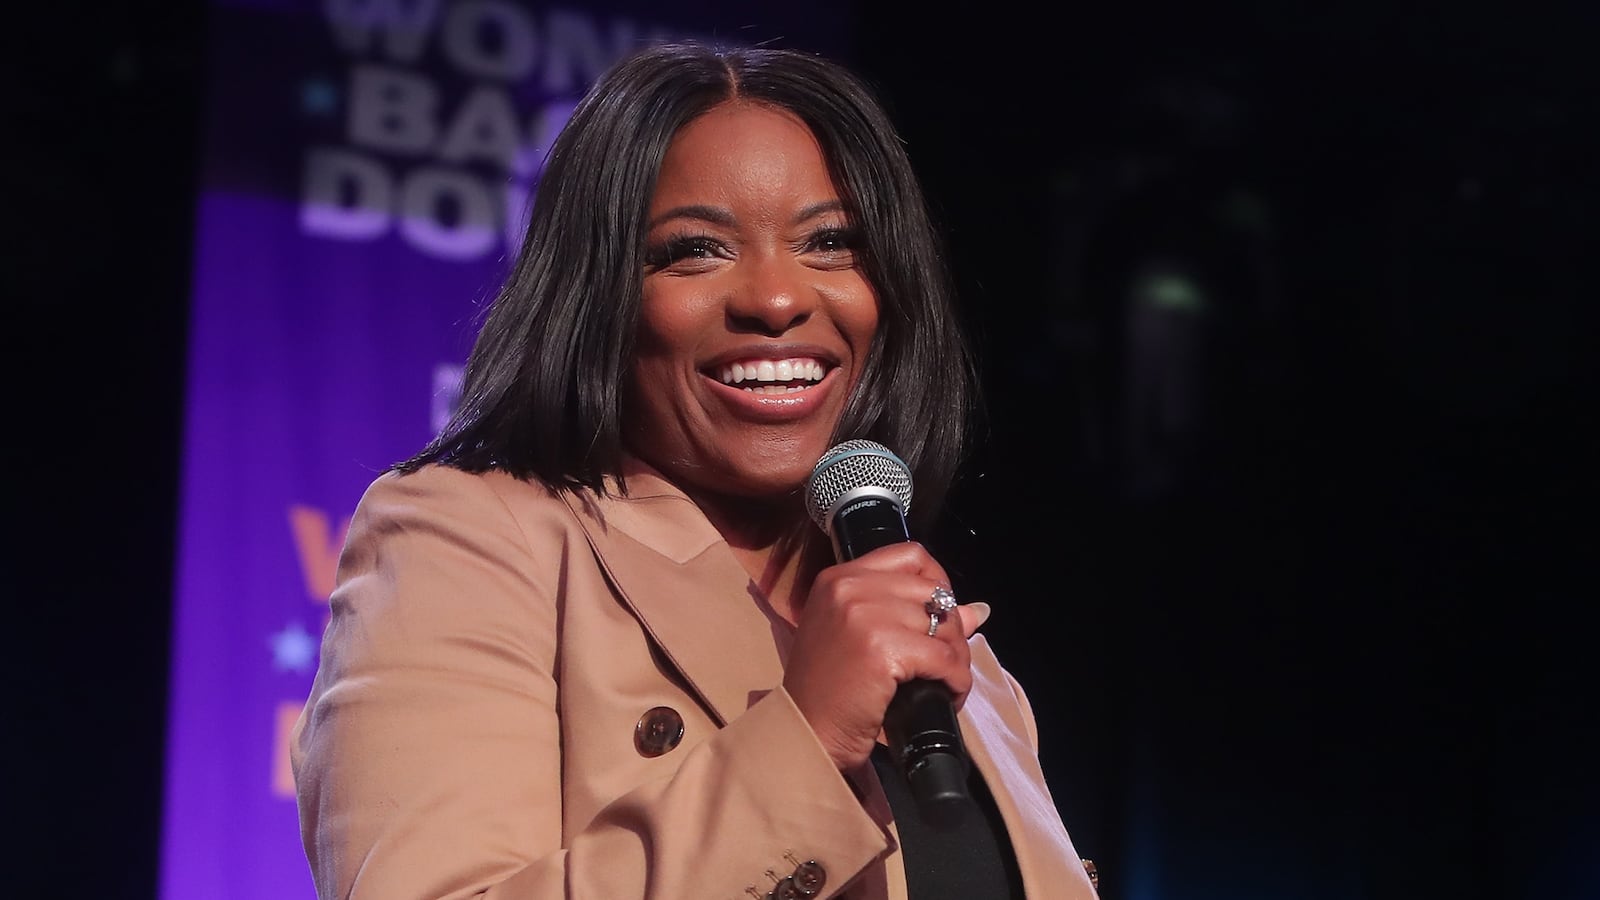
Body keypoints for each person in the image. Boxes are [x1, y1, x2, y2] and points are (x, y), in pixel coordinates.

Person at [290, 39, 1099, 900]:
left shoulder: (956, 656)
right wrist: (807, 737)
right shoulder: (471, 539)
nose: (778, 299)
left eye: (829, 242)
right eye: (695, 251)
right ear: (599, 293)